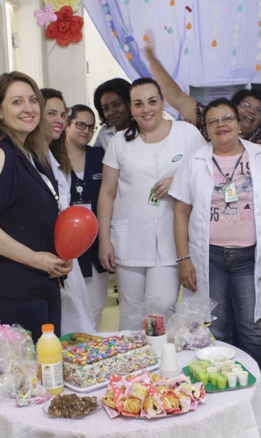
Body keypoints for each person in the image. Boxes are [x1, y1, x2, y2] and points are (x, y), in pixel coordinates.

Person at [170, 98, 261, 389]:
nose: (221, 125)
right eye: (213, 121)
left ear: (238, 123)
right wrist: (183, 259)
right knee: (217, 330)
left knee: (253, 332)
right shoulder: (194, 161)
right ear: (206, 129)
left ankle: (260, 396)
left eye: (227, 118)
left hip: (249, 258)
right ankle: (225, 397)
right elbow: (181, 211)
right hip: (210, 259)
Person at [0, 72, 73, 341]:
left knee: (50, 362)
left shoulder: (34, 154)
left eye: (32, 100)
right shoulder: (1, 155)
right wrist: (36, 259)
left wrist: (62, 258)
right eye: (17, 102)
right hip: (17, 288)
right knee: (34, 365)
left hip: (44, 282)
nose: (28, 108)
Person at [97, 78, 206, 329]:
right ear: (131, 108)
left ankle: (158, 355)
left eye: (152, 101)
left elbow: (205, 176)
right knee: (131, 312)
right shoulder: (119, 141)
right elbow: (107, 192)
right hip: (129, 238)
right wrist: (104, 240)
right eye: (138, 104)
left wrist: (178, 182)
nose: (146, 109)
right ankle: (132, 355)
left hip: (171, 240)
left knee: (162, 308)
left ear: (163, 103)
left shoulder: (187, 134)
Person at [144, 33, 261, 156]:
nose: (251, 111)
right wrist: (152, 60)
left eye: (258, 110)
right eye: (246, 105)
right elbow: (177, 98)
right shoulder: (212, 119)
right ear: (232, 108)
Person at [40, 88, 96, 335]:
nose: (58, 120)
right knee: (64, 325)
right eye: (51, 113)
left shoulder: (56, 158)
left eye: (62, 115)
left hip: (65, 257)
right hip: (47, 256)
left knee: (78, 319)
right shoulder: (31, 158)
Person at [66, 104, 109, 328]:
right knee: (71, 306)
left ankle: (92, 341)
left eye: (91, 127)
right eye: (80, 124)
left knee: (96, 305)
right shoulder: (53, 157)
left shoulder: (98, 156)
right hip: (66, 244)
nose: (86, 131)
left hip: (94, 242)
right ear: (67, 125)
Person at [93, 78, 132, 149]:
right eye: (105, 108)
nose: (111, 112)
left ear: (130, 102)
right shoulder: (104, 134)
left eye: (116, 104)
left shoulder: (144, 130)